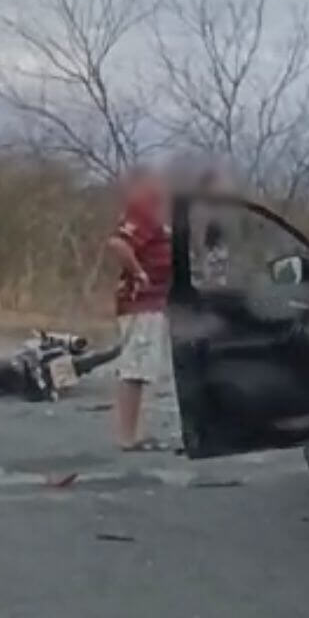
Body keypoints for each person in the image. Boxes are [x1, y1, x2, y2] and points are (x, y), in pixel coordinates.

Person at [106, 168, 172, 451]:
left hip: (160, 301)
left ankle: (137, 433)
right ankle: (126, 437)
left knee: (146, 368)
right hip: (142, 301)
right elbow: (118, 243)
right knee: (135, 367)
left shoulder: (167, 212)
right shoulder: (147, 207)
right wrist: (139, 273)